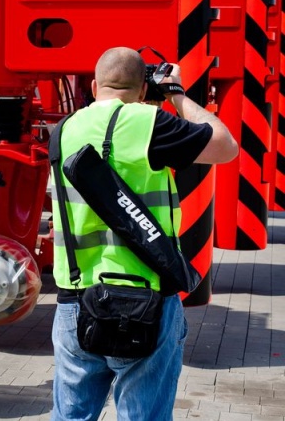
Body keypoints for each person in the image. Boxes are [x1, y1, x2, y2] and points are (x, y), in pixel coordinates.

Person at [50, 47, 238, 420]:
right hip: (144, 301)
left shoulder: (64, 128)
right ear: (141, 90)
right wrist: (176, 94)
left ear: (93, 84)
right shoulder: (148, 122)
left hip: (74, 299)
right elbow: (225, 146)